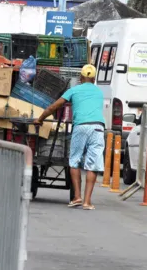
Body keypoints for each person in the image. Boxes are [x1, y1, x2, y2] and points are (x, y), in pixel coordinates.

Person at [35, 64, 104, 209]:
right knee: (93, 164)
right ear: (94, 78)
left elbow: (54, 107)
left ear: (81, 77)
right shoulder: (99, 92)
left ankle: (77, 197)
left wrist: (40, 118)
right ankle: (87, 202)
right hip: (98, 127)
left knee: (75, 160)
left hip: (81, 127)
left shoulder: (74, 90)